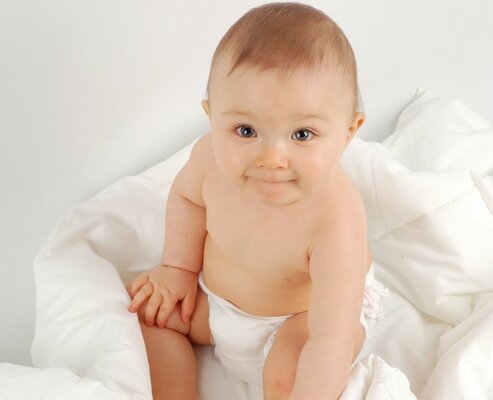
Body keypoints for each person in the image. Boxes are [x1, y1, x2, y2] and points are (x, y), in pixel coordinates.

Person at [126, 3, 378, 399]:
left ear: (348, 132)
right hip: (216, 304)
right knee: (147, 312)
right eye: (246, 130)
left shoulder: (336, 222)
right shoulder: (208, 159)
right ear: (211, 118)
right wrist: (178, 269)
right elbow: (189, 199)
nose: (272, 159)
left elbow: (330, 339)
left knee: (293, 368)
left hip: (299, 322)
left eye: (302, 135)